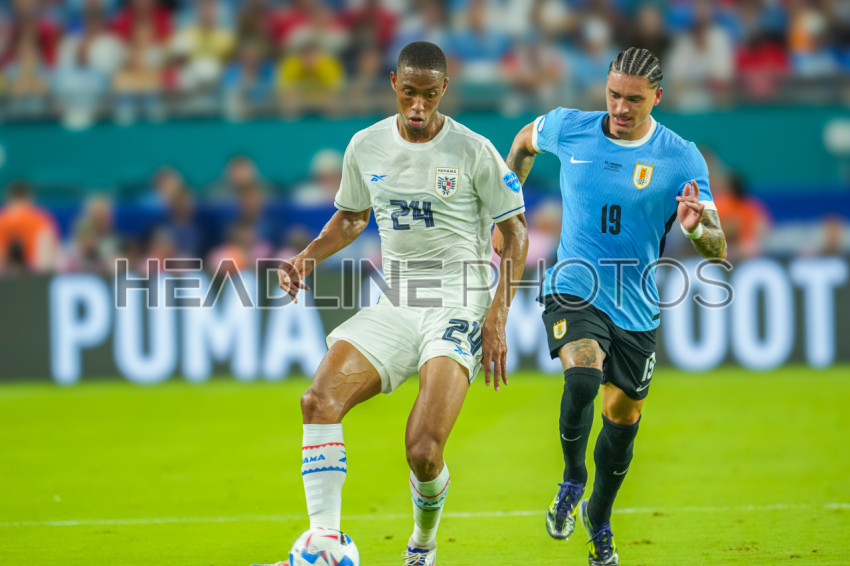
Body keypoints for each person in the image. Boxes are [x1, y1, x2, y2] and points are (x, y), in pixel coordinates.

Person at [258, 41, 528, 566]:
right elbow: (352, 218)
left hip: (459, 303)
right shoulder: (366, 145)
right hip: (398, 300)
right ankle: (324, 542)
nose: (418, 106)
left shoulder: (473, 151)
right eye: (409, 93)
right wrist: (308, 257)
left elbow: (515, 233)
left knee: (424, 452)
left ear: (444, 89)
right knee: (318, 401)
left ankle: (423, 543)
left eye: (429, 94)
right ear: (393, 84)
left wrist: (497, 316)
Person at [498, 47, 727, 566]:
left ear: (658, 98)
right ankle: (572, 479)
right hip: (573, 286)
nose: (621, 108)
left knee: (622, 423)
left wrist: (698, 230)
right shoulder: (569, 127)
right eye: (614, 95)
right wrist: (507, 213)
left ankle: (598, 519)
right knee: (582, 374)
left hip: (636, 307)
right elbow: (522, 142)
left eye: (634, 100)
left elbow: (718, 249)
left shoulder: (681, 157)